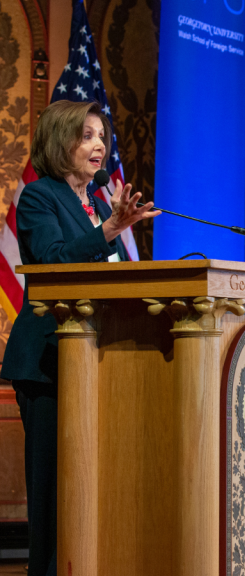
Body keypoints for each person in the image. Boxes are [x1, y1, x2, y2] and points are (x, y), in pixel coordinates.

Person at [1, 100, 159, 576]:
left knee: (94, 485)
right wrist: (110, 229)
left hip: (99, 359)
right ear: (58, 141)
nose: (98, 145)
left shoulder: (97, 203)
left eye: (101, 136)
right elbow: (51, 262)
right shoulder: (39, 197)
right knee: (55, 489)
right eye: (85, 135)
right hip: (51, 359)